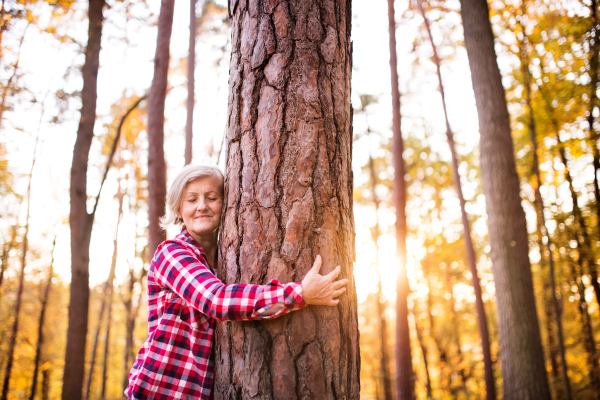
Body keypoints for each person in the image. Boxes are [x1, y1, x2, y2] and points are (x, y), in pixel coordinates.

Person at [125, 165, 348, 400]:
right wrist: (300, 292)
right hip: (158, 392)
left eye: (212, 198)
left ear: (228, 203)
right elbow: (216, 300)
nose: (202, 206)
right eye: (192, 200)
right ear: (180, 209)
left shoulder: (229, 260)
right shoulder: (171, 254)